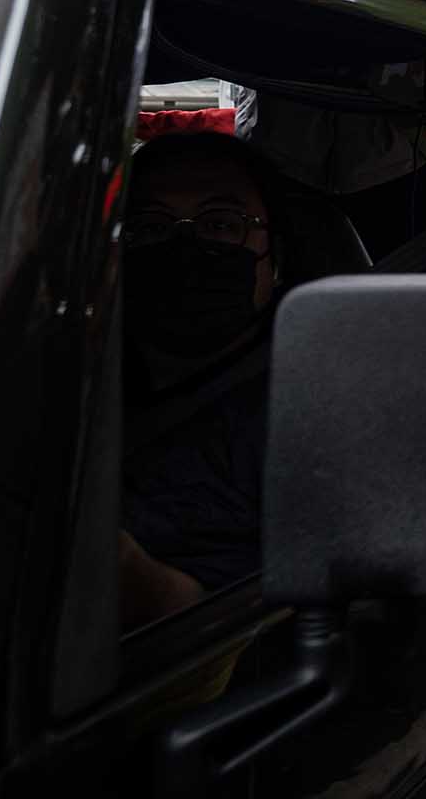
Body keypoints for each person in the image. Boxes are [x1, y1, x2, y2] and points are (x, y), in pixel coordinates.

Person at [117, 133, 289, 628]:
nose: (185, 246)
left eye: (221, 225)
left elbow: (238, 640)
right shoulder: (57, 374)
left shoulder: (309, 411)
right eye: (151, 226)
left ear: (275, 258)